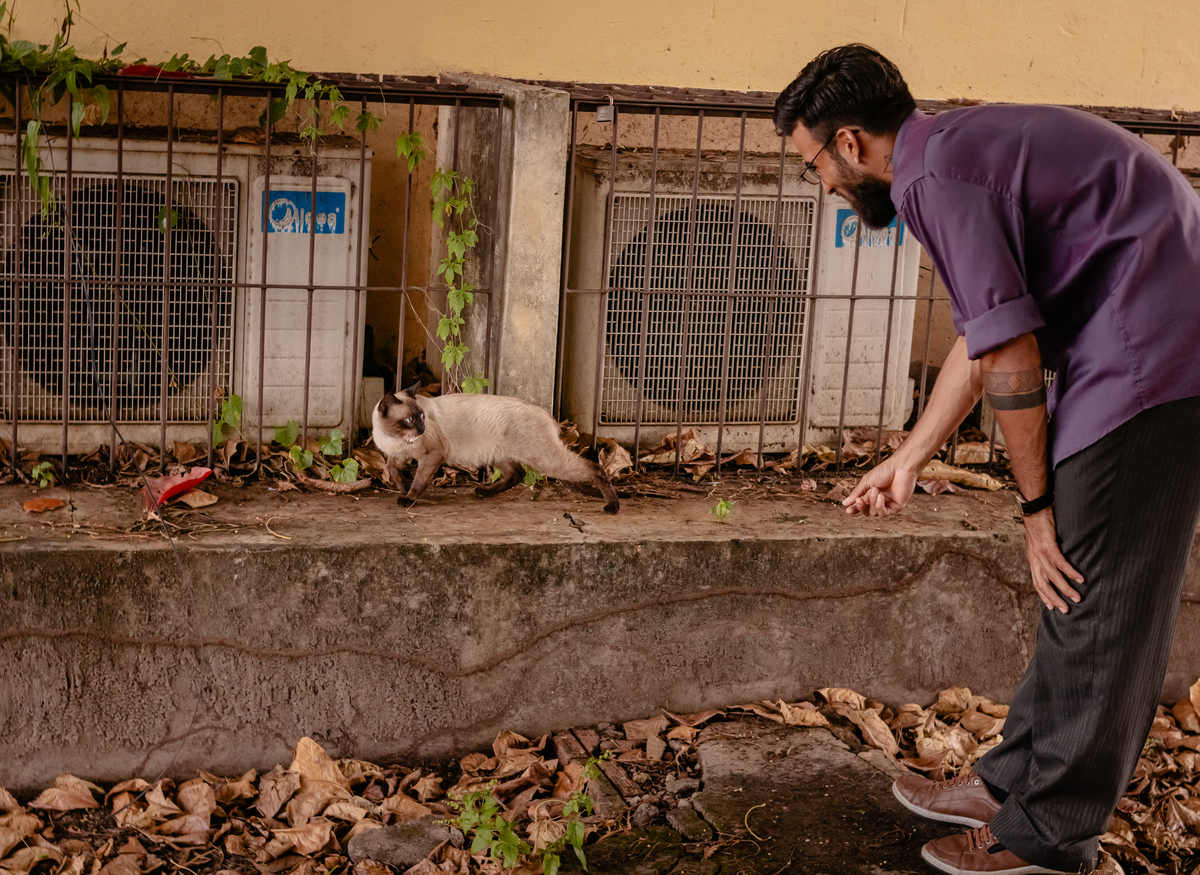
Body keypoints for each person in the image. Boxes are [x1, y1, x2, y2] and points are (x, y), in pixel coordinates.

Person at [774, 44, 1200, 875]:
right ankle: (1014, 783)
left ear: (851, 143)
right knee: (1076, 584)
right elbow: (982, 331)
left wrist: (1035, 513)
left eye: (815, 163)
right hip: (1142, 330)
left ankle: (1051, 833)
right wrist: (908, 457)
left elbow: (1009, 356)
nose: (822, 183)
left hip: (1159, 350)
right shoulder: (947, 154)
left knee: (1094, 594)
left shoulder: (933, 179)